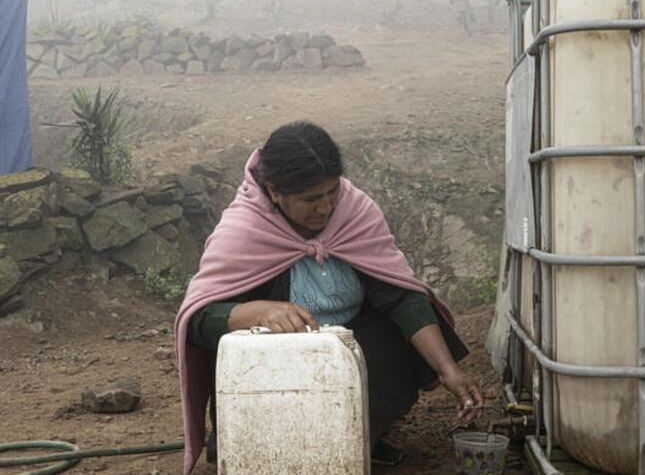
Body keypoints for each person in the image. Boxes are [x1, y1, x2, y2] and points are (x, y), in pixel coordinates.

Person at [175, 121, 484, 472]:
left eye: (331, 192)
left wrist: (448, 370)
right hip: (277, 372)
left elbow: (401, 297)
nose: (325, 208)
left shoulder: (355, 213)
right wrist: (255, 312)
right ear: (274, 191)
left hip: (349, 359)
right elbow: (197, 321)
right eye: (310, 199)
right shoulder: (244, 230)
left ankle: (361, 437)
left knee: (394, 334)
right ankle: (260, 444)